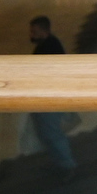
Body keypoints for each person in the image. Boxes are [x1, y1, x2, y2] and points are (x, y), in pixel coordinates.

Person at [27, 15, 76, 178]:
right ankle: (62, 164)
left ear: (44, 31)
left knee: (52, 134)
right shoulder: (50, 44)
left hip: (50, 99)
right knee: (50, 133)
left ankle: (67, 166)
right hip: (50, 98)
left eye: (34, 32)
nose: (31, 35)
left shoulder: (47, 49)